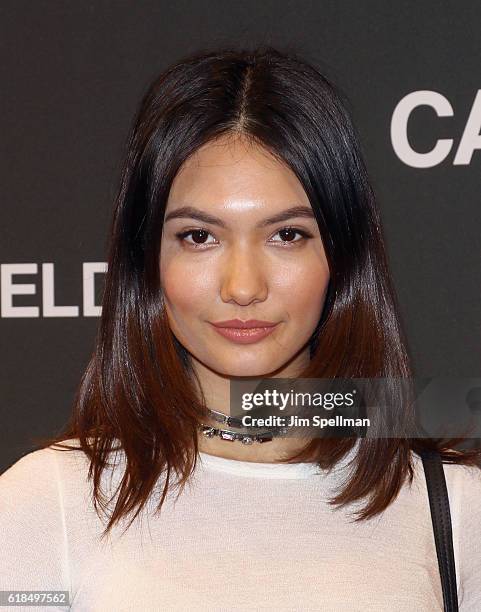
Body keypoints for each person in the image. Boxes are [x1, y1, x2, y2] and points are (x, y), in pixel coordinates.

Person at [1, 45, 480, 612]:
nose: (243, 285)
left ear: (342, 257)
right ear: (146, 261)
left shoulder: (453, 509)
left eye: (287, 235)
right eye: (200, 237)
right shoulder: (47, 503)